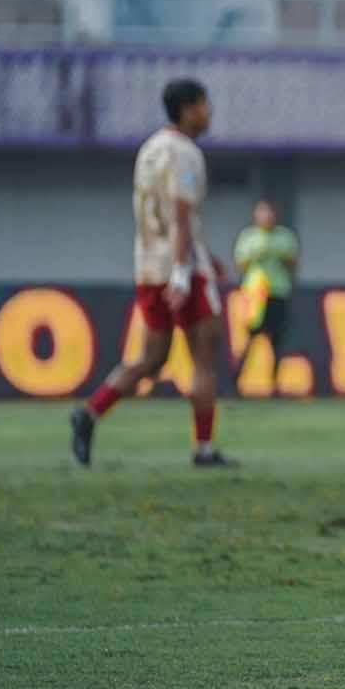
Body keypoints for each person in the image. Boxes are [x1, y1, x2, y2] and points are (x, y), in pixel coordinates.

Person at [70, 79, 235, 469]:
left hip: (147, 265)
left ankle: (90, 412)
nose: (209, 113)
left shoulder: (150, 149)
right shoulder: (185, 152)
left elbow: (164, 215)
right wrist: (182, 272)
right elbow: (179, 214)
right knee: (204, 356)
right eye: (204, 105)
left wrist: (201, 255)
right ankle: (204, 449)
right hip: (181, 269)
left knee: (151, 358)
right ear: (188, 109)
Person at [234, 199, 300, 382]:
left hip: (278, 292)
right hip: (255, 296)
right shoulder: (248, 237)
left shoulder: (285, 237)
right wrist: (257, 254)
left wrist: (279, 255)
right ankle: (236, 381)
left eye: (269, 212)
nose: (266, 217)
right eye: (262, 212)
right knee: (249, 338)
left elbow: (294, 264)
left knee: (277, 340)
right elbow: (240, 265)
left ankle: (275, 383)